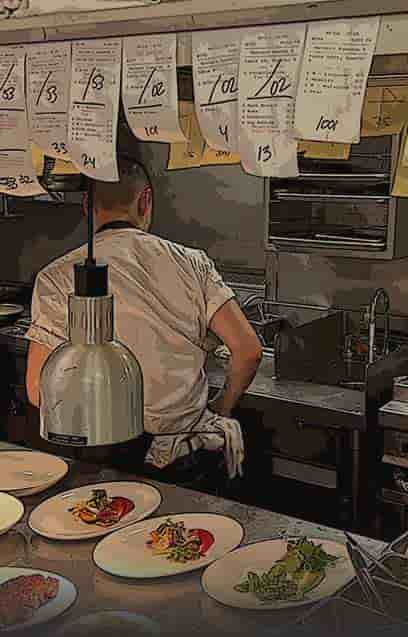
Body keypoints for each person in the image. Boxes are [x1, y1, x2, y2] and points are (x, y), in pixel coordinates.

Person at [23, 156, 263, 486]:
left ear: (85, 206)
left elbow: (39, 392)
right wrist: (221, 408)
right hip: (185, 457)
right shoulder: (192, 263)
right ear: (146, 200)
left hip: (102, 456)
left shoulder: (57, 276)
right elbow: (248, 351)